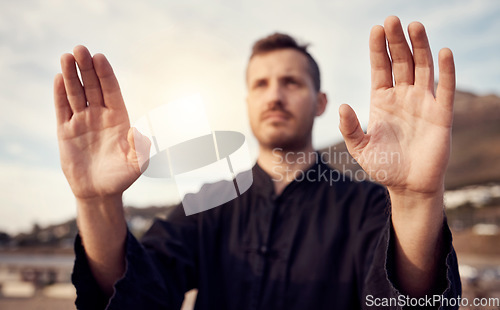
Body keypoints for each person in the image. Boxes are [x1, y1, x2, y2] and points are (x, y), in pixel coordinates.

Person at [54, 16, 461, 309]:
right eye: (261, 84)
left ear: (320, 102)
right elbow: (138, 298)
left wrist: (415, 199)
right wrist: (96, 202)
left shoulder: (369, 206)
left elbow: (411, 305)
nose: (274, 96)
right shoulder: (207, 205)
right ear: (248, 103)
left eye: (292, 82)